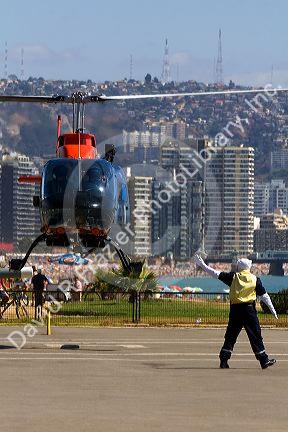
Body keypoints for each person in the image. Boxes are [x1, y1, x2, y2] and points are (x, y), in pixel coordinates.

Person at [193, 254, 277, 369]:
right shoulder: (255, 279)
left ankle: (224, 360)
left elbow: (214, 273)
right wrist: (273, 310)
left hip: (236, 310)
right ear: (249, 267)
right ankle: (263, 360)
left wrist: (202, 265)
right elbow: (264, 296)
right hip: (249, 310)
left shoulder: (233, 277)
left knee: (231, 336)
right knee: (255, 335)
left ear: (239, 267)